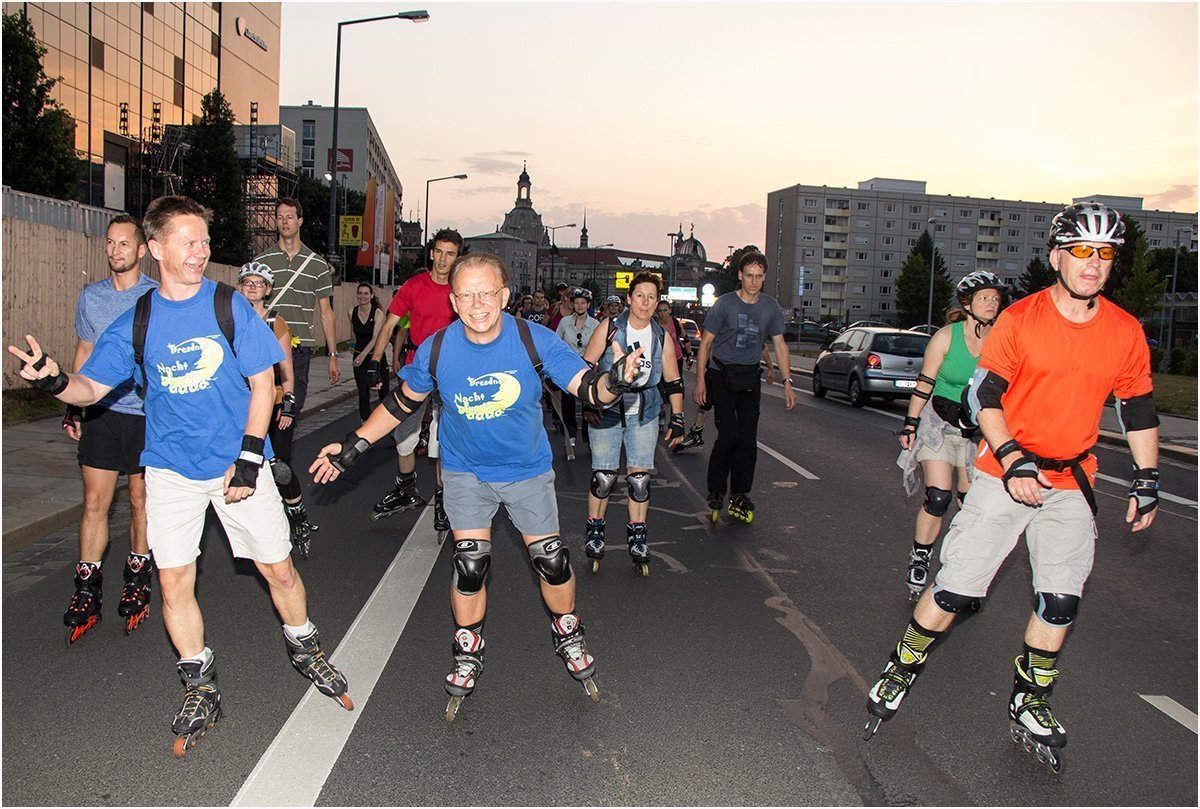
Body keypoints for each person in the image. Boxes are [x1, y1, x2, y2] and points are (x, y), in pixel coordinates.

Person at [9, 196, 352, 757]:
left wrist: (250, 455)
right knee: (172, 582)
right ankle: (200, 684)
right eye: (188, 242)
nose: (201, 251)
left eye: (205, 241)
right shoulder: (138, 320)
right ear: (156, 248)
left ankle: (305, 645)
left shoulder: (227, 304)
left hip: (237, 462)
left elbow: (264, 382)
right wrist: (53, 380)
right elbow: (91, 388)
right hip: (169, 469)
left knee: (279, 570)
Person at [864, 202, 1160, 774]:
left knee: (1060, 600)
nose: (1093, 263)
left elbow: (1139, 407)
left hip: (1071, 479)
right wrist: (1012, 456)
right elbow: (984, 396)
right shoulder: (1021, 320)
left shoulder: (1124, 331)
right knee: (955, 591)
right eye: (1081, 251)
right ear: (1057, 257)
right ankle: (902, 665)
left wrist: (1147, 477)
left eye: (1104, 253)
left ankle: (1030, 699)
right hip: (1005, 474)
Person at [310, 252, 644, 721]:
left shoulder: (532, 339)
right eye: (466, 295)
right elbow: (402, 402)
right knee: (470, 563)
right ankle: (468, 649)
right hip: (466, 472)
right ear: (453, 301)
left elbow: (588, 389)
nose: (477, 304)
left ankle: (568, 632)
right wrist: (352, 446)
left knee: (551, 561)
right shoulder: (438, 349)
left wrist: (618, 379)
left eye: (486, 293)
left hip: (526, 470)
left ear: (504, 296)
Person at [61, 214, 159, 642]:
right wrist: (73, 406)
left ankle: (138, 580)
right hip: (101, 411)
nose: (115, 250)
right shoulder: (91, 298)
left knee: (140, 501)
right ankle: (87, 591)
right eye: (110, 243)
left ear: (142, 250)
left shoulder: (155, 296)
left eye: (124, 243)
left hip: (145, 415)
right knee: (94, 502)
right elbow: (84, 351)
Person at [895, 271, 1004, 600]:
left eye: (996, 298)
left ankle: (962, 574)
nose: (992, 303)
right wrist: (910, 423)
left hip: (977, 433)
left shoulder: (1001, 339)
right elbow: (925, 383)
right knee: (939, 497)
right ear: (967, 304)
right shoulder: (945, 337)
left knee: (971, 505)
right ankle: (920, 557)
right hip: (939, 426)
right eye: (984, 298)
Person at [582, 273, 686, 575]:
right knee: (604, 476)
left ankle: (638, 538)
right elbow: (586, 367)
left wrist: (678, 417)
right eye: (639, 295)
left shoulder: (661, 336)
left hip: (645, 409)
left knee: (639, 480)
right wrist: (588, 403)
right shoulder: (610, 328)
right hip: (608, 407)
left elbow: (673, 380)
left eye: (651, 297)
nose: (645, 302)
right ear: (629, 298)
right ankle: (595, 532)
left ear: (658, 301)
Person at [363, 230, 462, 534]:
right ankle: (406, 488)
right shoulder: (414, 285)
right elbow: (389, 324)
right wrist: (375, 363)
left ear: (457, 257)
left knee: (444, 438)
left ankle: (443, 500)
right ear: (431, 253)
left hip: (450, 369)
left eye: (450, 254)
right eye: (439, 252)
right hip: (417, 366)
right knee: (404, 433)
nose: (443, 259)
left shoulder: (461, 289)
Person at [693, 252, 796, 522]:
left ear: (764, 277)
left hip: (749, 376)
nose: (753, 281)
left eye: (758, 276)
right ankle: (716, 489)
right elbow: (706, 343)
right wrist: (701, 380)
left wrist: (787, 382)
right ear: (740, 275)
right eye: (749, 275)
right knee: (728, 434)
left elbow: (780, 344)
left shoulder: (770, 307)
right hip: (721, 374)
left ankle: (740, 492)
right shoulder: (725, 305)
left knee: (748, 439)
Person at [237, 261, 320, 558]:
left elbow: (286, 369)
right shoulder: (230, 318)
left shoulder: (274, 321)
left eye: (258, 283)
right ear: (240, 286)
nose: (252, 287)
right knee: (242, 465)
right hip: (241, 405)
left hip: (273, 404)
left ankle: (298, 516)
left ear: (268, 289)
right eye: (248, 282)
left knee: (279, 468)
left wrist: (288, 405)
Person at [253, 198, 341, 417]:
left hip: (300, 346)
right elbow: (251, 305)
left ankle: (284, 439)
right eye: (280, 218)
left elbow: (326, 313)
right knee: (265, 404)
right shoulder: (262, 262)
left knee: (292, 408)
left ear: (299, 221)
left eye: (290, 217)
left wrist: (332, 355)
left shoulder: (317, 265)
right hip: (268, 344)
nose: (285, 222)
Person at [554, 287, 599, 460]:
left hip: (587, 367)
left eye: (583, 303)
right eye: (577, 303)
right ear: (572, 304)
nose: (580, 306)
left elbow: (599, 346)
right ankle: (570, 433)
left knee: (590, 403)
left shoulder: (595, 324)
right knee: (568, 401)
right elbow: (556, 342)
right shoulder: (564, 322)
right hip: (568, 366)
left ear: (588, 305)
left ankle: (589, 437)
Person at [350, 282, 391, 421]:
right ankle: (365, 423)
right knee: (363, 393)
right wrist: (352, 346)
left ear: (371, 296)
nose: (362, 296)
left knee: (383, 392)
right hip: (358, 356)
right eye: (360, 293)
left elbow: (376, 338)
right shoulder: (352, 312)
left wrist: (363, 355)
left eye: (366, 293)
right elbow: (353, 333)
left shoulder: (378, 313)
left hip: (375, 357)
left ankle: (386, 422)